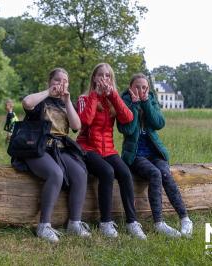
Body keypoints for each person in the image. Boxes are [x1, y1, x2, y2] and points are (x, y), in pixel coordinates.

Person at [14, 68, 90, 243]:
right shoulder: (42, 100)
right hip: (36, 147)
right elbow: (26, 102)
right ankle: (44, 226)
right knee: (55, 174)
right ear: (50, 81)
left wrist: (68, 100)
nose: (61, 84)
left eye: (64, 81)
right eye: (57, 80)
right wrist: (49, 92)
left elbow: (77, 125)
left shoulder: (65, 104)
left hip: (59, 148)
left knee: (80, 173)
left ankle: (74, 223)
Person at [117, 73, 193, 238]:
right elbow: (127, 130)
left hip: (154, 152)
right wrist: (136, 107)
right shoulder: (124, 102)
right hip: (135, 155)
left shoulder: (150, 100)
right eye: (137, 86)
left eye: (144, 87)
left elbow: (159, 123)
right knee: (155, 173)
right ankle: (159, 222)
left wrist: (145, 104)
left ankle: (185, 218)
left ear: (148, 88)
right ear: (131, 88)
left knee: (165, 173)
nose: (141, 90)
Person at [76, 63, 146, 240]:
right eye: (101, 75)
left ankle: (132, 222)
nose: (104, 79)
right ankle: (105, 222)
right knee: (107, 172)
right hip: (87, 148)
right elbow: (85, 122)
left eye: (108, 76)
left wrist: (113, 95)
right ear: (94, 78)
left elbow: (128, 117)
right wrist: (95, 95)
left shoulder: (112, 99)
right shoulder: (85, 98)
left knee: (124, 173)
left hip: (108, 149)